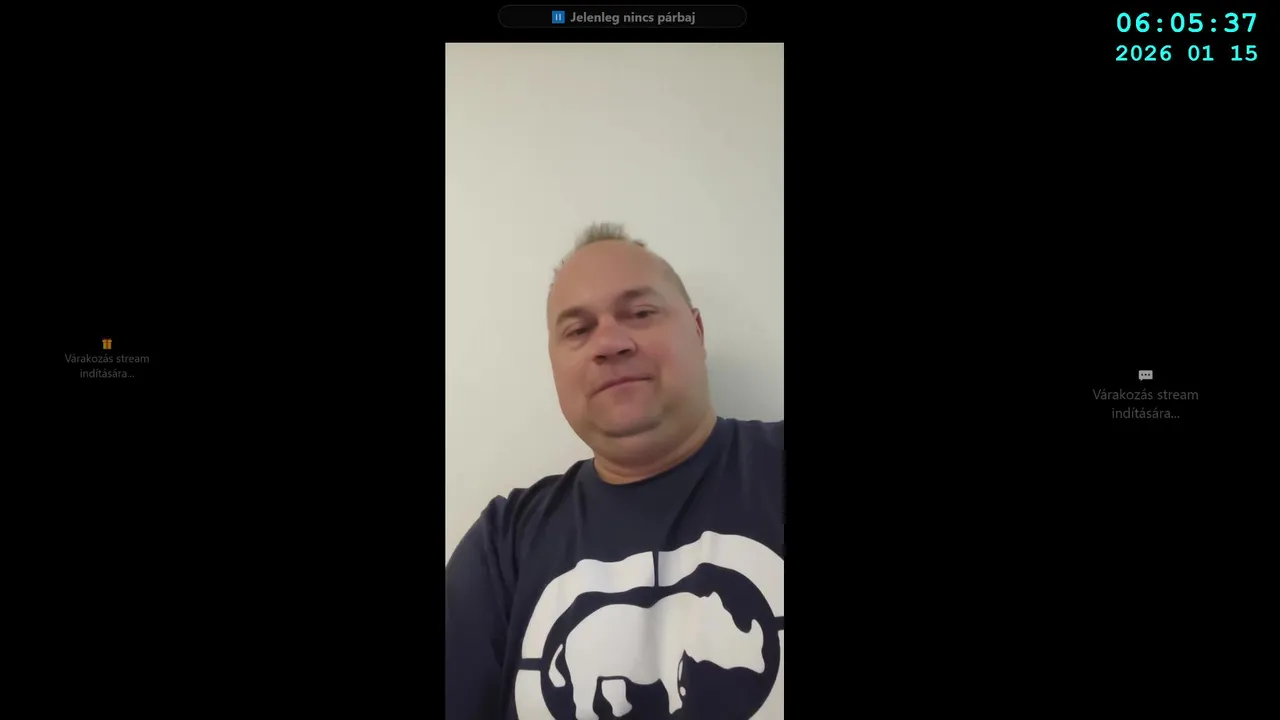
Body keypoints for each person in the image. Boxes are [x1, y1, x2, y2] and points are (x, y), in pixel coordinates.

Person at [445, 223, 784, 719]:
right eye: (578, 330)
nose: (609, 342)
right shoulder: (504, 542)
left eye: (640, 313)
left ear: (698, 331)